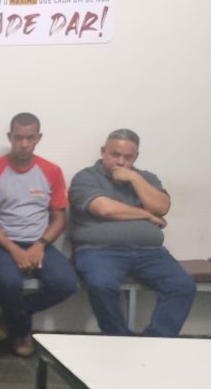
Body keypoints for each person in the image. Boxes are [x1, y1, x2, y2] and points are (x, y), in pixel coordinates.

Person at [68, 129, 196, 336]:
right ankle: (119, 339)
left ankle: (154, 342)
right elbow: (105, 209)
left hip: (150, 252)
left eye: (127, 157)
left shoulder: (146, 178)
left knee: (182, 286)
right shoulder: (86, 177)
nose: (120, 162)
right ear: (103, 151)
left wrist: (135, 179)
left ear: (136, 157)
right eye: (115, 154)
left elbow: (162, 207)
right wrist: (146, 215)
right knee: (101, 284)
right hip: (99, 251)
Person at [0, 113, 77, 356]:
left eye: (30, 138)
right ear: (10, 137)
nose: (24, 144)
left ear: (39, 138)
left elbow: (60, 218)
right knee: (9, 283)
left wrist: (39, 245)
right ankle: (22, 333)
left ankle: (9, 319)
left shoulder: (51, 171)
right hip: (1, 245)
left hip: (40, 243)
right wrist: (14, 250)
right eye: (18, 137)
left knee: (66, 283)